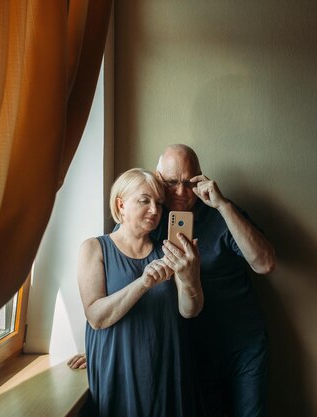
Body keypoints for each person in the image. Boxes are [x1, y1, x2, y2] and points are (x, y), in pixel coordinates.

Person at [154, 144, 276, 417]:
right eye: (171, 182)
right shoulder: (151, 214)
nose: (181, 192)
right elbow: (119, 263)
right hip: (193, 349)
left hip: (243, 346)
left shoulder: (222, 213)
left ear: (201, 178)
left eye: (188, 182)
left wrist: (222, 204)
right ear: (157, 177)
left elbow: (265, 263)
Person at [77, 167, 203, 417]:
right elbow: (96, 317)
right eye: (144, 201)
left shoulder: (168, 250)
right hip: (118, 369)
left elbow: (190, 311)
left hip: (166, 366)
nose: (155, 210)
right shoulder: (94, 248)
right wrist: (142, 283)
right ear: (121, 205)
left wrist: (190, 278)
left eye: (158, 202)